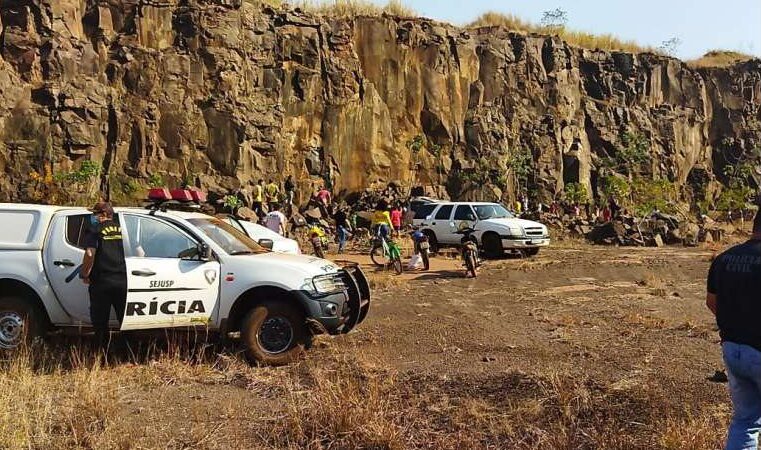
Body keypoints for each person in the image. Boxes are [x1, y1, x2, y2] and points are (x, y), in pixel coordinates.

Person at [707, 211, 761, 450]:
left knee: (745, 421)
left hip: (732, 348)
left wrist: (738, 322)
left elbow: (711, 301)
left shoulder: (724, 258)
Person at [81, 202, 127, 350]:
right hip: (123, 280)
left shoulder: (94, 230)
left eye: (95, 214)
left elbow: (89, 253)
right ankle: (127, 352)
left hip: (101, 281)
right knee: (125, 319)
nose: (93, 217)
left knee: (100, 322)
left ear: (104, 215)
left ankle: (102, 354)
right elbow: (139, 252)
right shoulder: (124, 229)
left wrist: (85, 273)